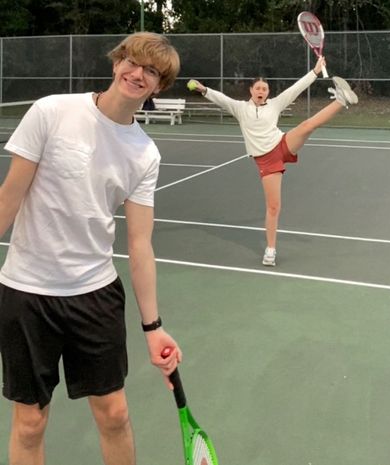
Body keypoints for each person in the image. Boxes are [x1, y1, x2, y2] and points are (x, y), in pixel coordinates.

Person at [0, 32, 182, 465]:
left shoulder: (144, 154)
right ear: (116, 62)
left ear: (159, 86)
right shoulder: (51, 111)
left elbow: (140, 244)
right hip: (27, 294)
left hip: (95, 296)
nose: (137, 73)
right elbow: (9, 196)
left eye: (151, 71)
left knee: (115, 414)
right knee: (30, 422)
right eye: (132, 62)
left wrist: (153, 326)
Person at [188, 61, 358, 267]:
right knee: (274, 206)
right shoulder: (241, 109)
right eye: (258, 88)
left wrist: (315, 71)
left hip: (282, 144)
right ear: (251, 90)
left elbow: (295, 89)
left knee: (307, 125)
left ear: (268, 92)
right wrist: (203, 89)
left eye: (265, 89)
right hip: (266, 160)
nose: (261, 91)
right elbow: (221, 99)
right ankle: (271, 249)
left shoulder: (275, 104)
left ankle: (340, 100)